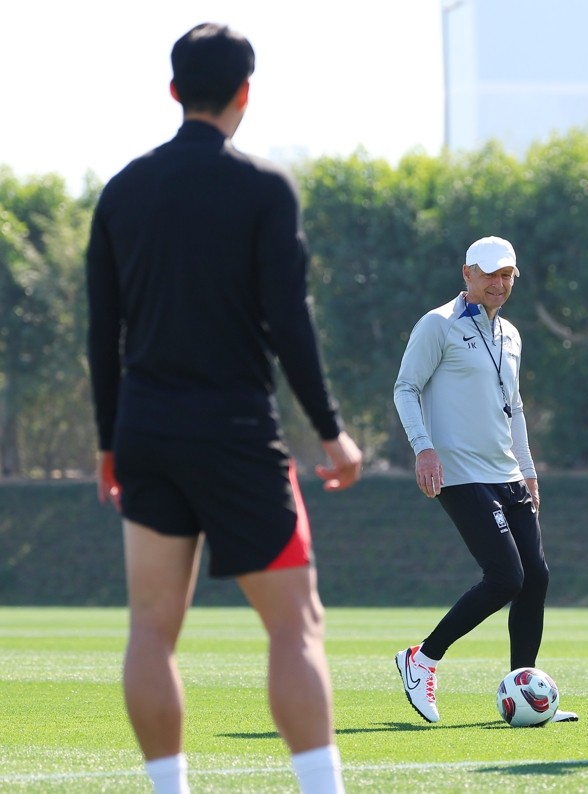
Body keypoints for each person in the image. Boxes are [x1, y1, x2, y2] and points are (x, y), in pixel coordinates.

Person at [85, 23, 362, 794]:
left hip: (145, 433)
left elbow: (101, 334)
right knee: (296, 625)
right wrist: (332, 431)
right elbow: (289, 324)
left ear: (174, 92)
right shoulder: (264, 190)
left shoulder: (121, 192)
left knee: (151, 629)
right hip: (237, 437)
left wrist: (110, 442)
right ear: (246, 93)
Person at [392, 235, 577, 726]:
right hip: (460, 474)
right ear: (467, 274)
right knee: (506, 577)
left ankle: (527, 692)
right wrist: (423, 448)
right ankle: (423, 659)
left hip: (507, 474)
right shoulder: (437, 325)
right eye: (490, 274)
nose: (499, 283)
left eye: (507, 275)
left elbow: (513, 408)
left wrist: (530, 471)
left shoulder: (511, 334)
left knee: (535, 578)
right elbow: (406, 388)